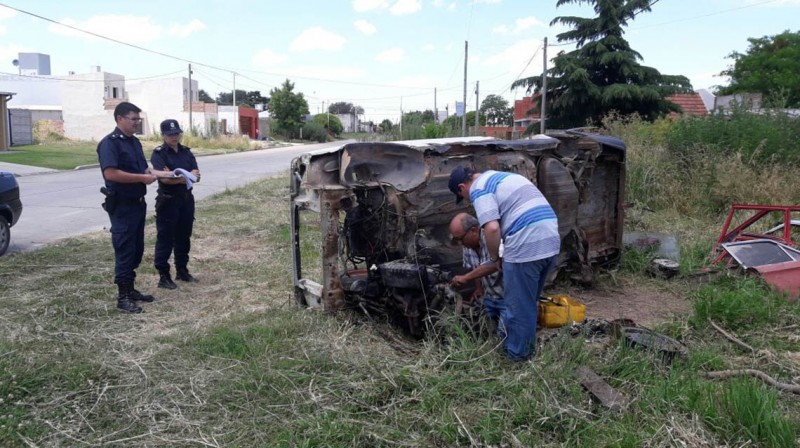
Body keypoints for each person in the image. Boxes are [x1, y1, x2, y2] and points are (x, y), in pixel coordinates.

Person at [448, 166, 560, 361]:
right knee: (527, 305)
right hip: (549, 240)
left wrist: (494, 258)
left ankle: (516, 358)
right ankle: (524, 352)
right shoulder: (499, 178)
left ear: (462, 187)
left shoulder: (479, 188)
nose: (468, 201)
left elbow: (492, 229)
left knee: (517, 309)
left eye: (463, 197)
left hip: (527, 243)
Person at [97, 102, 169, 313]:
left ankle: (130, 289)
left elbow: (144, 169)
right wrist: (141, 178)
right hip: (122, 205)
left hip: (138, 204)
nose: (137, 123)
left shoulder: (134, 142)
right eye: (134, 119)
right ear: (120, 118)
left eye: (139, 119)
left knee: (136, 249)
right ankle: (123, 297)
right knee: (125, 250)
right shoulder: (110, 143)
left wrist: (166, 174)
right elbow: (110, 173)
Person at [150, 119, 201, 289]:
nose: (174, 137)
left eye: (176, 133)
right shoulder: (159, 154)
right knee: (165, 238)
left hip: (186, 199)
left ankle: (182, 270)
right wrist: (184, 177)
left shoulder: (186, 152)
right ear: (163, 135)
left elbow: (197, 176)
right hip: (168, 200)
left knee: (184, 236)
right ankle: (164, 275)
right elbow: (164, 179)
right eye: (170, 134)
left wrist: (176, 176)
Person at [449, 212, 508, 340]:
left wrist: (465, 277)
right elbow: (474, 267)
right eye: (457, 240)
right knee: (482, 331)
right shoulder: (467, 246)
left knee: (503, 336)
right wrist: (479, 288)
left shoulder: (492, 239)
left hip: (507, 297)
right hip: (488, 297)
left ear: (474, 231)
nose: (460, 243)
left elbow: (495, 265)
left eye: (461, 238)